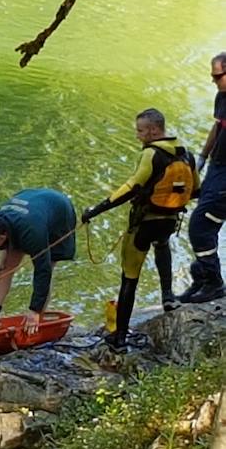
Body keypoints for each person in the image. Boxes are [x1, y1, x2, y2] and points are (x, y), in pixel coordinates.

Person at [82, 108, 200, 349]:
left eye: (140, 130)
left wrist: (95, 210)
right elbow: (196, 190)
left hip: (144, 224)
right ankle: (168, 297)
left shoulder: (151, 154)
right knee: (163, 245)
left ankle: (120, 337)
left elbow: (131, 188)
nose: (137, 135)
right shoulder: (186, 153)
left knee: (129, 278)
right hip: (169, 221)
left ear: (154, 130)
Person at [0, 188, 77, 334]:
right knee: (5, 268)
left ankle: (37, 318)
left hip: (59, 212)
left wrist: (34, 309)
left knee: (49, 264)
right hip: (28, 205)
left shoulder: (32, 233)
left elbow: (43, 270)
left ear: (2, 237)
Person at [179, 52, 226, 304]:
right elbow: (218, 127)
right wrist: (202, 158)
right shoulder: (222, 97)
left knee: (200, 225)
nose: (213, 81)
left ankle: (215, 283)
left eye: (217, 76)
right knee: (205, 221)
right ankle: (201, 279)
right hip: (217, 167)